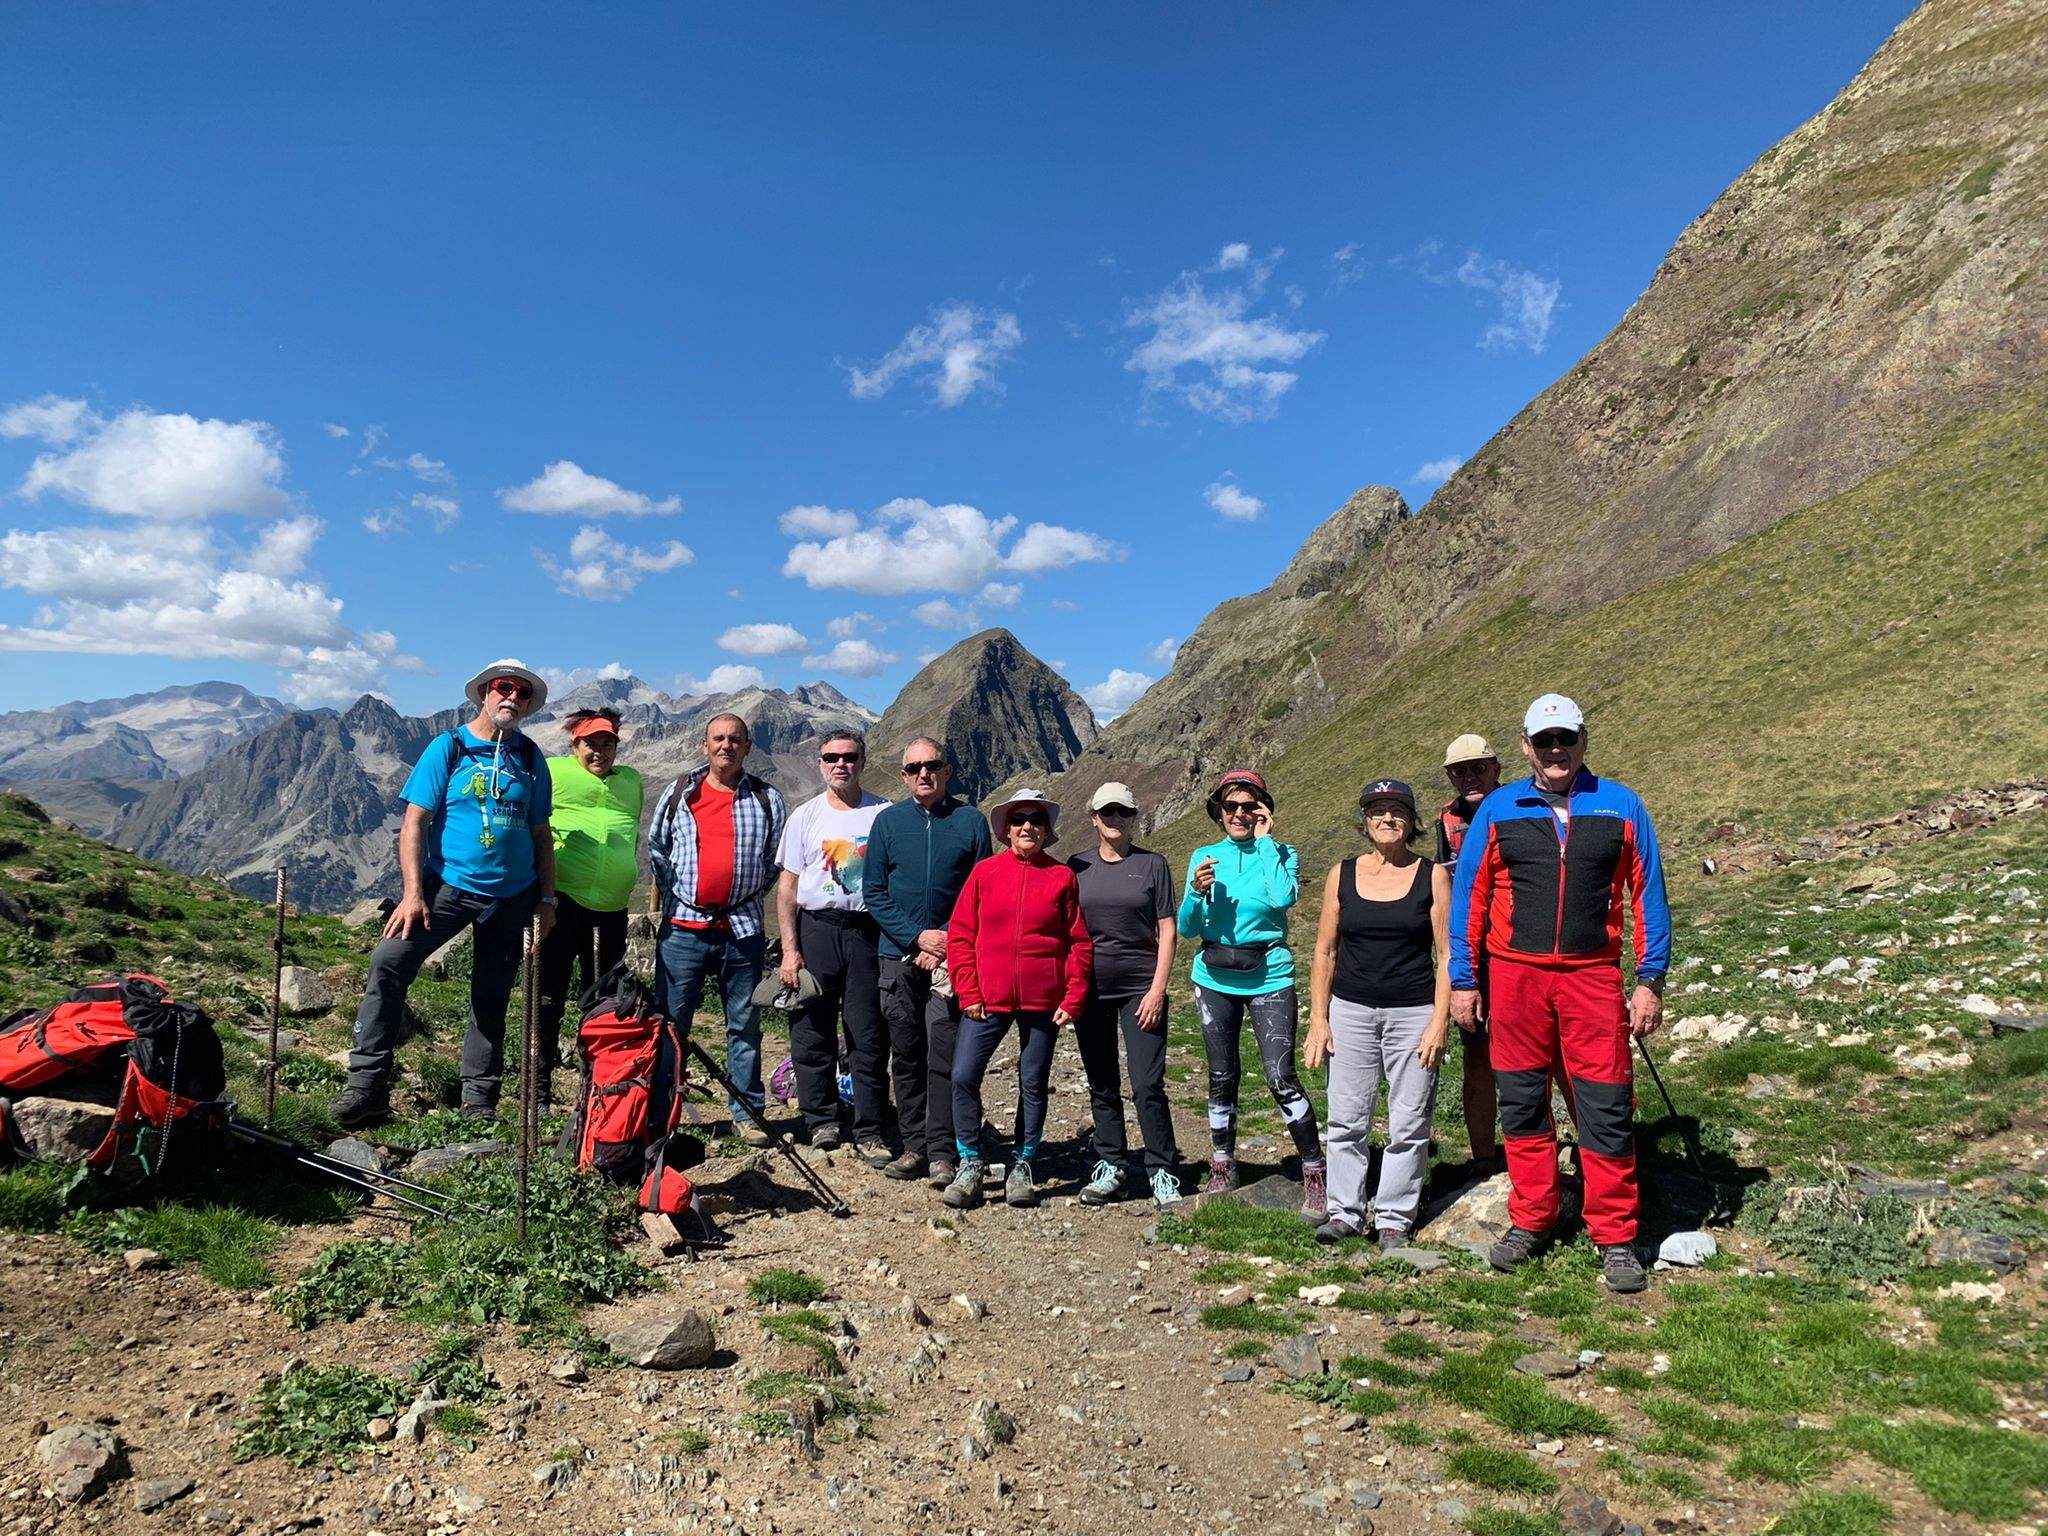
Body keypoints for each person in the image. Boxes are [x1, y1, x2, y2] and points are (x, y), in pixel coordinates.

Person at [1449, 693, 1670, 1294]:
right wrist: (1465, 979)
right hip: (1514, 978)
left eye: (1565, 739)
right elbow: (1469, 897)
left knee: (1604, 1105)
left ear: (1582, 742)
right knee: (1522, 1103)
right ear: (1525, 746)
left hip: (1592, 978)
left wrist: (1650, 980)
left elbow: (1647, 893)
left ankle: (1616, 1234)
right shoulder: (1499, 808)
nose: (1555, 751)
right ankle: (1533, 1218)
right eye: (1543, 741)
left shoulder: (1622, 805)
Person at [331, 660, 557, 1128]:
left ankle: (478, 1101)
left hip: (512, 895)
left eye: (522, 693)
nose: (511, 697)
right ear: (483, 694)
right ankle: (367, 1085)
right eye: (502, 688)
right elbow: (414, 822)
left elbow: (541, 834)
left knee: (491, 995)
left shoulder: (532, 759)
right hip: (447, 887)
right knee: (389, 962)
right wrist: (413, 894)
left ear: (530, 704)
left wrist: (547, 899)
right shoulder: (449, 747)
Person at [1304, 779, 1452, 1248]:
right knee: (1347, 1118)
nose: (1387, 818)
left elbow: (1448, 955)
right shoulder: (1341, 874)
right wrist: (1319, 1019)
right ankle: (1344, 1211)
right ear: (1365, 821)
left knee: (1409, 1120)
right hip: (1350, 1010)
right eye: (1377, 810)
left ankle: (1393, 1217)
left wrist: (1439, 1021)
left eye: (1397, 811)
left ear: (1411, 822)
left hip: (1413, 1012)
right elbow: (1325, 951)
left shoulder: (1433, 876)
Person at [1178, 769, 1327, 1219]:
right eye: (1231, 807)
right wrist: (1197, 894)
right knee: (1221, 1074)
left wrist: (1264, 842)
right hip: (1214, 975)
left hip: (1270, 975)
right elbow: (1187, 928)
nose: (1239, 814)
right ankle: (1222, 1163)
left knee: (1280, 1076)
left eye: (1249, 805)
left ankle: (1314, 1172)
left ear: (1263, 809)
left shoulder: (1283, 853)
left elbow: (1284, 899)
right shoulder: (1204, 856)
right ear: (1219, 813)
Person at [943, 788, 1092, 1210]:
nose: (1028, 826)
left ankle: (1023, 1163)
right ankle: (970, 1160)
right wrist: (968, 989)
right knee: (963, 1075)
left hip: (1043, 1000)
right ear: (1007, 830)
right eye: (1019, 819)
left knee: (1032, 1082)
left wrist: (1074, 995)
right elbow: (960, 935)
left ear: (1047, 831)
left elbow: (1077, 942)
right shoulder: (985, 873)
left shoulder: (1062, 877)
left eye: (1037, 820)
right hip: (987, 998)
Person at [647, 712, 787, 1144]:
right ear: (704, 746)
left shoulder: (768, 799)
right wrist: (685, 895)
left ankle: (746, 1113)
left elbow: (775, 861)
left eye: (735, 739)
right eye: (718, 739)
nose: (726, 746)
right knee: (672, 1024)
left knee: (743, 1023)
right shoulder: (678, 793)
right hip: (683, 929)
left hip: (741, 930)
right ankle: (660, 1112)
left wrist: (737, 898)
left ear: (747, 747)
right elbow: (658, 847)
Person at [863, 736, 992, 1187]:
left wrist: (947, 943)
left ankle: (942, 1152)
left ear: (947, 770)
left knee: (943, 1052)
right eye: (914, 767)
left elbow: (981, 893)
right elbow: (873, 891)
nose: (924, 773)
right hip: (897, 957)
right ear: (903, 775)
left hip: (950, 963)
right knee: (906, 1052)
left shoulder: (971, 822)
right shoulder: (888, 823)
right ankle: (913, 1145)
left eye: (932, 765)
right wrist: (916, 937)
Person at [774, 729, 890, 1159]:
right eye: (831, 757)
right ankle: (820, 1120)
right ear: (820, 763)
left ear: (863, 760)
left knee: (868, 1031)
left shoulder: (885, 814)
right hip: (817, 929)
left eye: (849, 756)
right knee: (810, 1028)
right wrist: (790, 948)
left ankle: (871, 1126)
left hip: (867, 931)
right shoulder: (804, 816)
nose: (840, 764)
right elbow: (787, 887)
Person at [1068, 782, 1181, 1208]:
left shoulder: (1153, 865)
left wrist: (1158, 989)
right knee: (1101, 1080)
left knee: (1147, 1083)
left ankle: (1163, 1169)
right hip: (1091, 988)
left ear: (1133, 818)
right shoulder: (1076, 866)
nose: (1114, 819)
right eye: (1106, 811)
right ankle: (1111, 1162)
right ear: (1093, 817)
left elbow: (1167, 929)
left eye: (1122, 812)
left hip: (1140, 987)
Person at [535, 707, 643, 1106]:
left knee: (603, 1000)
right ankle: (539, 1084)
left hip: (612, 908)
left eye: (607, 743)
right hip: (562, 902)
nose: (599, 751)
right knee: (548, 994)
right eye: (590, 743)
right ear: (574, 744)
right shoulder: (553, 772)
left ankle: (599, 1084)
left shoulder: (631, 781)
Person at [1437, 733, 1505, 1168]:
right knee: (1477, 1057)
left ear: (1496, 768)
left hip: (1520, 950)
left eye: (1477, 768)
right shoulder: (1447, 820)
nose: (1469, 777)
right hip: (1472, 956)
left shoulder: (1522, 803)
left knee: (1533, 1055)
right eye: (1459, 771)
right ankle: (1483, 1160)